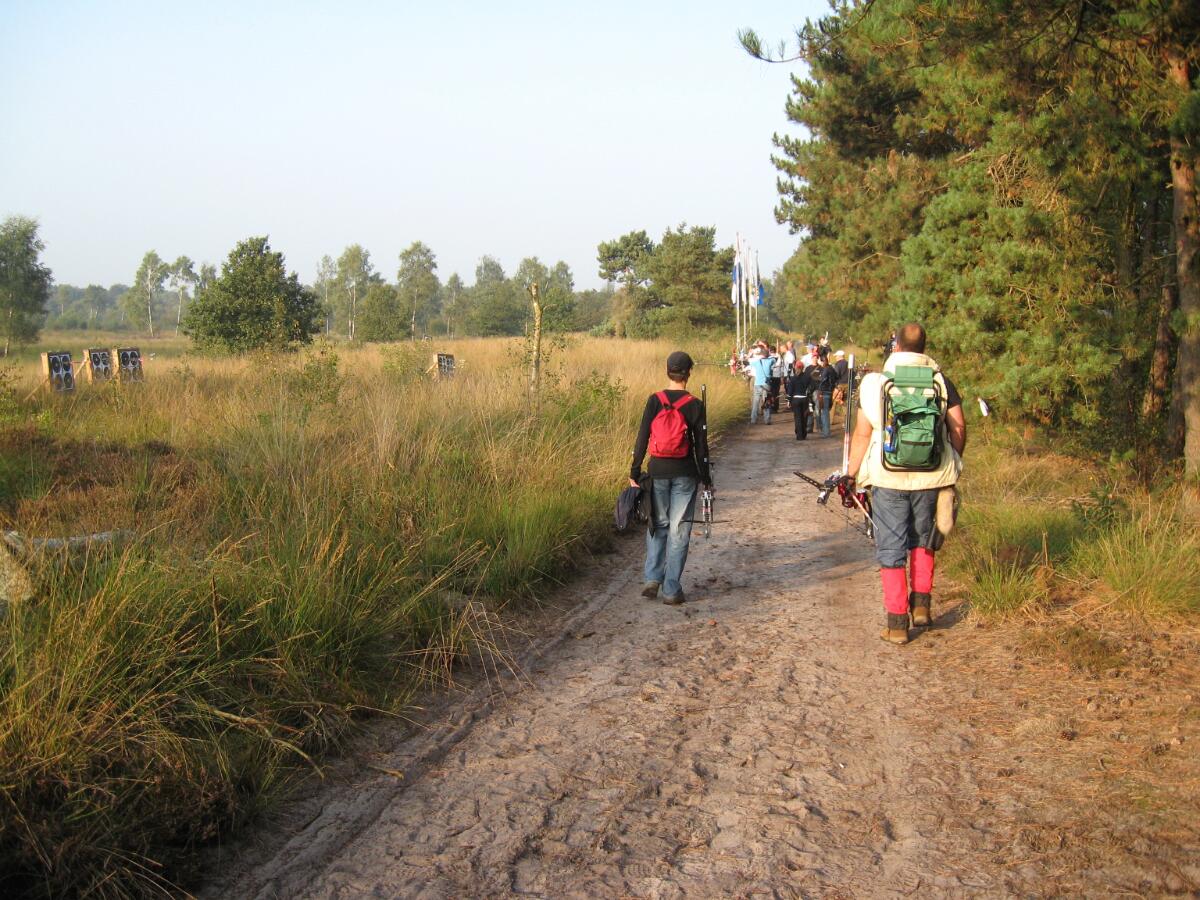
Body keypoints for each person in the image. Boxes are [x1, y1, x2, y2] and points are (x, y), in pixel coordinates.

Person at [845, 323, 967, 645]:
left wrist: (851, 473)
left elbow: (862, 434)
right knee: (923, 538)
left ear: (896, 346)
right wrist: (954, 462)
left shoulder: (875, 383)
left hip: (887, 477)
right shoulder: (940, 381)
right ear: (924, 347)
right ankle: (922, 607)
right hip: (931, 474)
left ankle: (897, 624)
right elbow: (958, 427)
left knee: (892, 545)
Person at [629, 351, 712, 605]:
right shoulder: (695, 404)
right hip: (685, 473)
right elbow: (701, 447)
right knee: (679, 530)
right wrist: (706, 477)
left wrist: (635, 472)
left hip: (657, 471)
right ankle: (671, 589)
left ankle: (652, 578)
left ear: (668, 371)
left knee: (658, 523)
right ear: (689, 373)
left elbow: (642, 437)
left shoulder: (654, 400)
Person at [744, 348, 773, 424]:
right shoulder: (771, 360)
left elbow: (747, 360)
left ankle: (753, 419)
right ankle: (767, 420)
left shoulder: (756, 362)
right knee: (766, 401)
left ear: (761, 354)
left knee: (755, 402)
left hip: (757, 384)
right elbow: (775, 360)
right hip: (766, 384)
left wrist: (753, 354)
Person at [785, 363, 812, 440]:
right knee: (804, 417)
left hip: (795, 399)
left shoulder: (793, 378)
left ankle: (799, 435)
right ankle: (804, 434)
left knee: (798, 418)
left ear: (795, 368)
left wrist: (788, 400)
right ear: (803, 368)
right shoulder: (807, 377)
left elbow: (790, 391)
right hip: (805, 399)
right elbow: (811, 387)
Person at [815, 357, 838, 437]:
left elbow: (822, 380)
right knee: (826, 412)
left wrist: (816, 378)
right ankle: (826, 431)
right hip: (830, 391)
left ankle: (826, 432)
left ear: (822, 362)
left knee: (824, 413)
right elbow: (836, 378)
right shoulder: (832, 369)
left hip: (824, 392)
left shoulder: (825, 370)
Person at [768, 345, 785, 413]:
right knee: (776, 392)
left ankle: (772, 407)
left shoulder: (769, 357)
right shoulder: (779, 357)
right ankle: (776, 407)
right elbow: (782, 368)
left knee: (771, 392)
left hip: (771, 376)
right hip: (778, 376)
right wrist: (782, 377)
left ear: (770, 351)